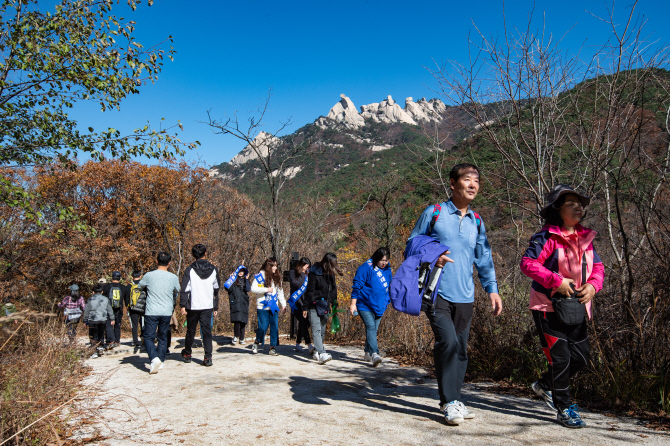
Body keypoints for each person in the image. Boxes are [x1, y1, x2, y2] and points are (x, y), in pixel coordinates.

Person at [408, 163, 502, 425]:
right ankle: (449, 401)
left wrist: (492, 289)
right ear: (452, 183)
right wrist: (432, 255)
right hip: (437, 291)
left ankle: (454, 398)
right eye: (467, 180)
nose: (473, 185)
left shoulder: (477, 221)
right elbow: (412, 244)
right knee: (447, 342)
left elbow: (483, 257)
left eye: (477, 181)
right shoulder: (434, 213)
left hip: (466, 295)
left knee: (460, 349)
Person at [520, 185, 604, 428]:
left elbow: (597, 268)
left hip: (576, 308)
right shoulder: (546, 237)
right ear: (558, 208)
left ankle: (545, 385)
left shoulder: (585, 238)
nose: (578, 207)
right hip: (548, 307)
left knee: (581, 357)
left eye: (579, 203)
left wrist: (593, 287)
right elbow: (527, 264)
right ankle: (564, 407)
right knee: (561, 358)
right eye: (571, 203)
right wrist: (556, 281)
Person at [137, 252, 181, 374]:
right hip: (166, 311)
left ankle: (154, 358)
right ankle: (160, 360)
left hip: (152, 310)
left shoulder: (149, 275)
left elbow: (140, 286)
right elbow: (177, 289)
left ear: (156, 261)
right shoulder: (173, 277)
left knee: (148, 336)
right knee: (163, 336)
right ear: (169, 263)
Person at [350, 247, 392, 367]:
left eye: (386, 260)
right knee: (371, 327)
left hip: (380, 305)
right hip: (364, 304)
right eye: (382, 260)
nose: (384, 263)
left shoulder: (387, 270)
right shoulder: (366, 267)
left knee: (373, 330)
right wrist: (353, 304)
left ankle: (367, 352)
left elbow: (389, 285)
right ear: (376, 258)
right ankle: (375, 354)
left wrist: (387, 301)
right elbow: (357, 286)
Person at [179, 244, 220, 367]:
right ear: (205, 253)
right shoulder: (213, 269)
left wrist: (182, 305)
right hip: (207, 305)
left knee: (190, 331)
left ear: (193, 255)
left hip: (193, 305)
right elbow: (216, 288)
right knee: (207, 332)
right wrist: (215, 306)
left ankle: (187, 354)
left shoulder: (189, 269)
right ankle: (208, 357)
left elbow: (185, 289)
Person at [300, 253, 342, 365]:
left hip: (325, 305)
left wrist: (334, 304)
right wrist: (305, 307)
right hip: (314, 305)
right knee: (316, 329)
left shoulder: (331, 274)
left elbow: (333, 290)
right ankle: (322, 353)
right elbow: (309, 291)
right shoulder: (314, 272)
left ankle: (318, 351)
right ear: (327, 263)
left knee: (322, 331)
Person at [250, 257, 286, 356]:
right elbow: (253, 289)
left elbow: (280, 292)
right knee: (263, 327)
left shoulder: (277, 277)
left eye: (276, 266)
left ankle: (272, 348)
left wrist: (283, 304)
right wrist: (266, 290)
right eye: (273, 266)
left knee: (274, 326)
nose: (275, 268)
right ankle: (257, 342)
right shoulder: (260, 276)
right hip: (262, 306)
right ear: (268, 266)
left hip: (274, 306)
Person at [83, 284, 114, 359]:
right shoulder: (106, 299)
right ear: (102, 291)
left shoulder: (90, 300)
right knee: (101, 334)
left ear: (93, 292)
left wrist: (84, 320)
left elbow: (86, 311)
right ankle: (100, 347)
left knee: (92, 336)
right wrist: (112, 318)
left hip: (92, 320)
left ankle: (94, 351)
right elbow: (110, 309)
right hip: (102, 319)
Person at [289, 257, 313, 353]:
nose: (308, 269)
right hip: (295, 303)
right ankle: (309, 345)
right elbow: (297, 284)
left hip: (305, 303)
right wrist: (303, 273)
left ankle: (298, 344)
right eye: (307, 267)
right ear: (302, 265)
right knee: (303, 322)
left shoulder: (308, 275)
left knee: (306, 323)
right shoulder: (293, 273)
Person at [102, 271, 129, 349]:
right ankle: (117, 341)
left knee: (108, 325)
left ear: (111, 277)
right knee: (117, 324)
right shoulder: (124, 287)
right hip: (119, 309)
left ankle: (109, 340)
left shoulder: (106, 287)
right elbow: (126, 300)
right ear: (120, 278)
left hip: (108, 309)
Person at [226, 265, 251, 345]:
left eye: (242, 271)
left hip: (243, 302)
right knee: (237, 320)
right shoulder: (233, 280)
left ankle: (242, 338)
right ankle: (236, 336)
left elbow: (248, 289)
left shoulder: (245, 280)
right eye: (239, 271)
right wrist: (231, 279)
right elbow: (227, 288)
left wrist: (247, 279)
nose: (240, 273)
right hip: (236, 302)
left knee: (243, 321)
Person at [128, 271, 146, 349]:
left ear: (132, 277)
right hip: (142, 307)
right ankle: (143, 339)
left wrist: (128, 306)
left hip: (132, 308)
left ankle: (135, 341)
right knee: (143, 324)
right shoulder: (143, 285)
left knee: (134, 325)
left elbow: (126, 298)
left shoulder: (129, 286)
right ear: (140, 276)